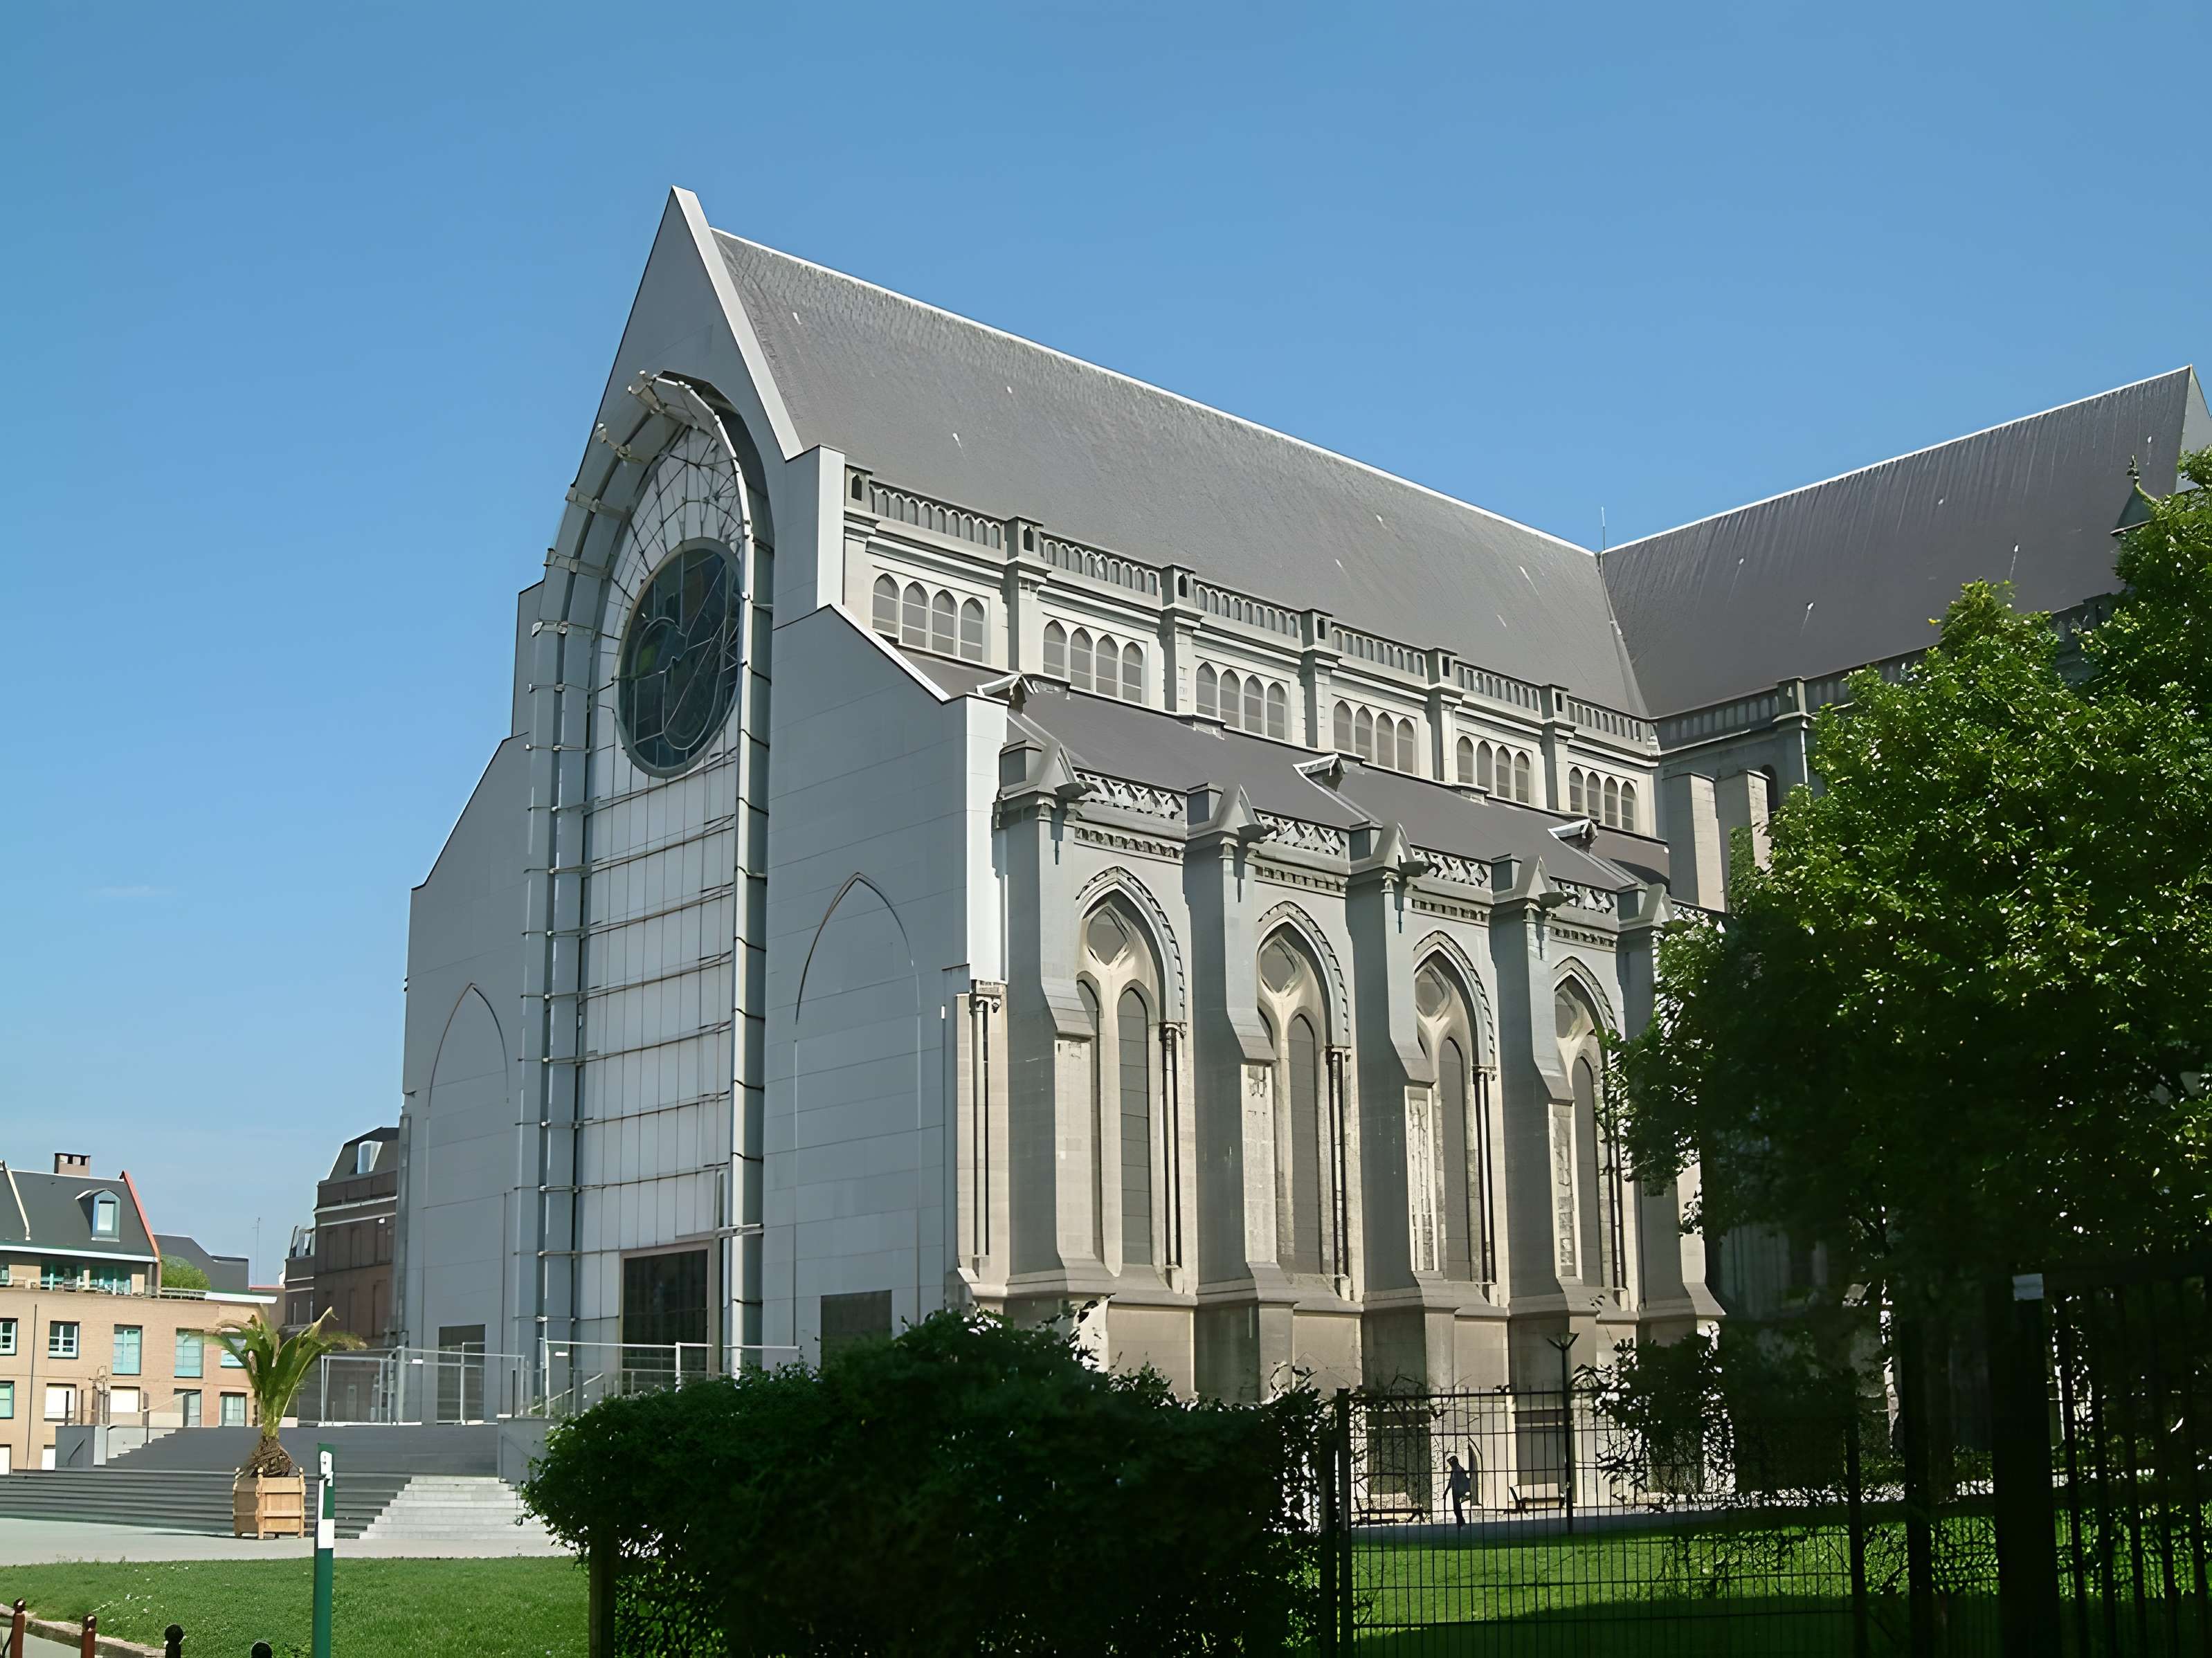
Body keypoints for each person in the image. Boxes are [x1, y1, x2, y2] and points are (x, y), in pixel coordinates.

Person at [1447, 1452, 1472, 1526]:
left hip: (1458, 1491)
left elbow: (1460, 1481)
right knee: (1457, 1508)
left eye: (1452, 1463)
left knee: (1457, 1508)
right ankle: (1461, 1522)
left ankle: (1461, 1522)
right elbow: (1451, 1482)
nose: (1451, 1465)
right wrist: (1447, 1491)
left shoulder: (1459, 1470)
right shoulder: (1455, 1470)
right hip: (1455, 1491)